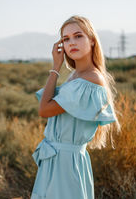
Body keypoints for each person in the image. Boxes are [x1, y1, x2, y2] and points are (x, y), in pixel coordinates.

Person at [30, 15, 122, 199]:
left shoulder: (91, 78)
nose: (72, 42)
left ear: (92, 41)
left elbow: (44, 110)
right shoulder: (75, 76)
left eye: (78, 36)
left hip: (67, 164)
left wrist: (56, 68)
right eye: (66, 39)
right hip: (56, 161)